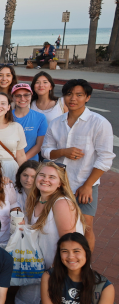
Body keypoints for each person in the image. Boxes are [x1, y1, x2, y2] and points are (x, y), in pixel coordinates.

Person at [42, 79, 113, 244]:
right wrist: (62, 152)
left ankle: (86, 268)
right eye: (69, 94)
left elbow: (106, 158)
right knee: (56, 225)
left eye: (79, 95)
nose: (73, 99)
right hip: (57, 185)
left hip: (84, 184)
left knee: (86, 227)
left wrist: (88, 185)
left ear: (87, 97)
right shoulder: (56, 123)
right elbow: (45, 151)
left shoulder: (99, 123)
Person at [15, 161, 87, 304]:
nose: (45, 179)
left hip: (59, 266)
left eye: (51, 177)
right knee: (26, 303)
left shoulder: (61, 203)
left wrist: (56, 271)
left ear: (60, 182)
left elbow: (69, 241)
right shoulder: (36, 199)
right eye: (42, 175)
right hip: (40, 265)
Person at [12, 83, 48, 161]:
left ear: (31, 96)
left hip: (30, 164)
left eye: (26, 95)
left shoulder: (40, 118)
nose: (22, 98)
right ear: (12, 98)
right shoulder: (5, 117)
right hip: (9, 162)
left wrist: (22, 160)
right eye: (18, 95)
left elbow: (39, 145)